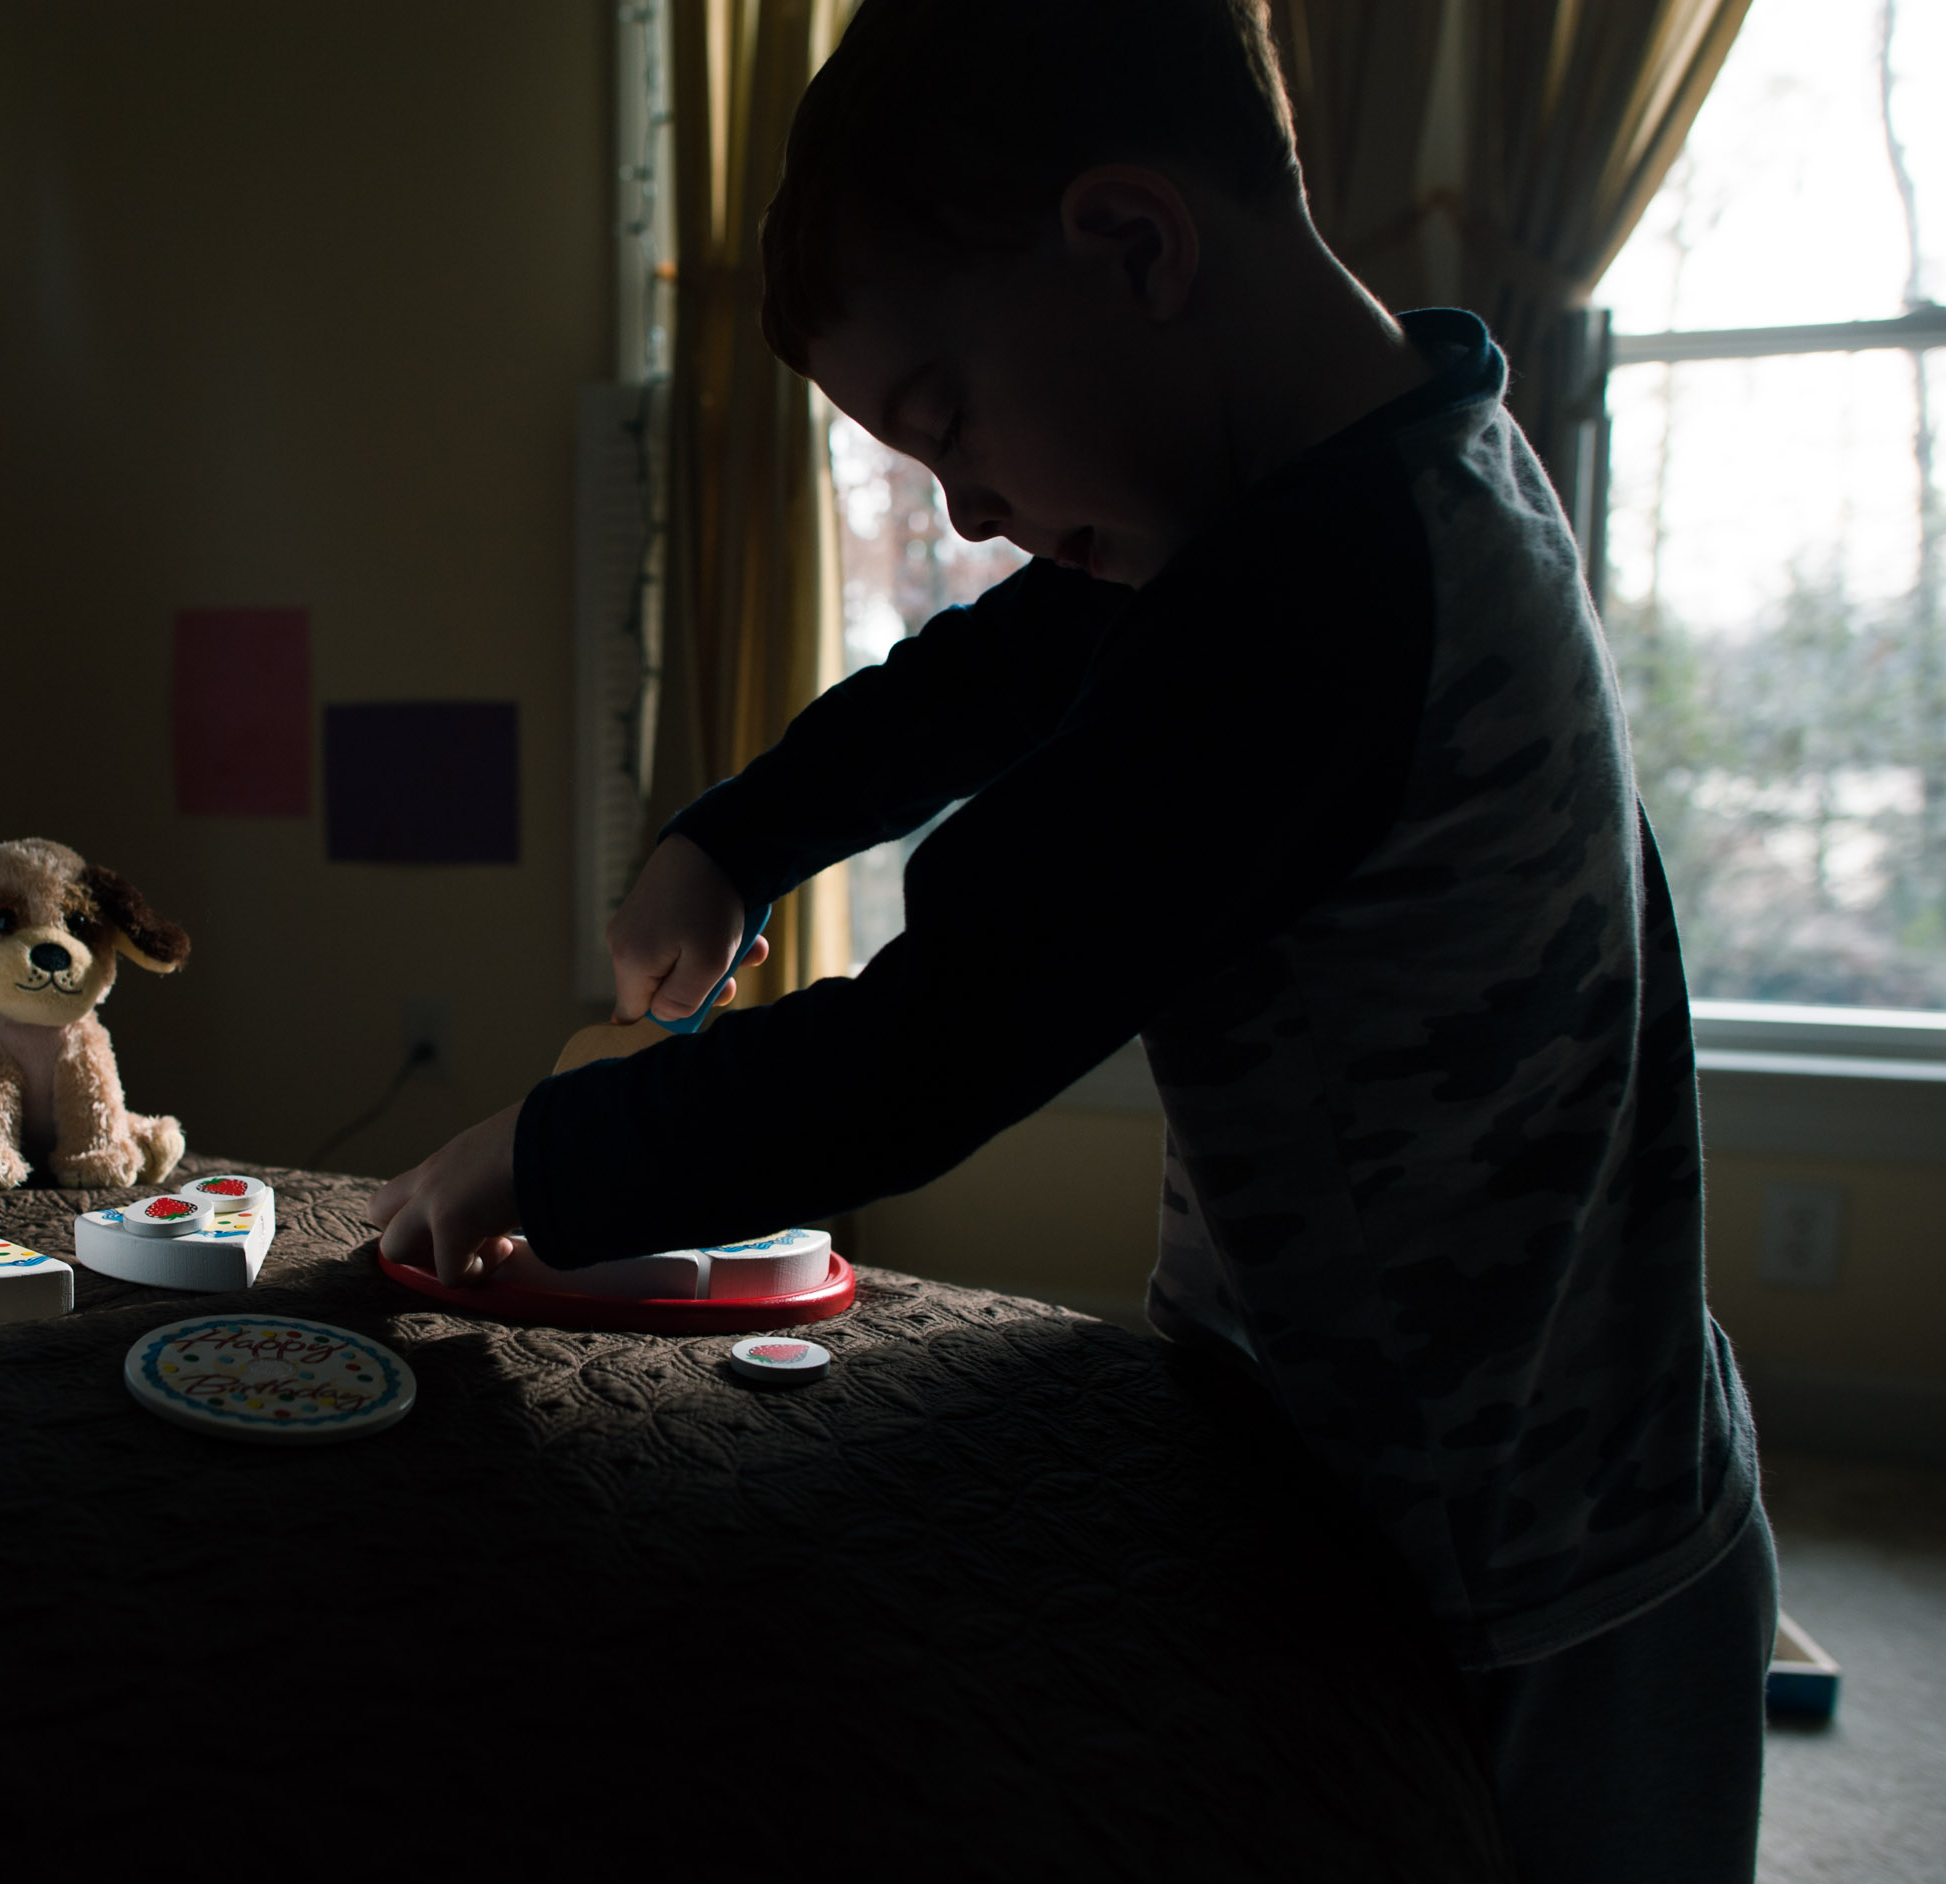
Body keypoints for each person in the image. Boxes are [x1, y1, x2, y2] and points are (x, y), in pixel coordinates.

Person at [366, 1, 1772, 1876]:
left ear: (1134, 244)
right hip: (1450, 1456)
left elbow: (950, 1027)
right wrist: (738, 837)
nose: (965, 512)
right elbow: (1008, 665)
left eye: (947, 419)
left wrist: (550, 1149)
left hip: (1523, 1550)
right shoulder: (1362, 464)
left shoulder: (1319, 595)